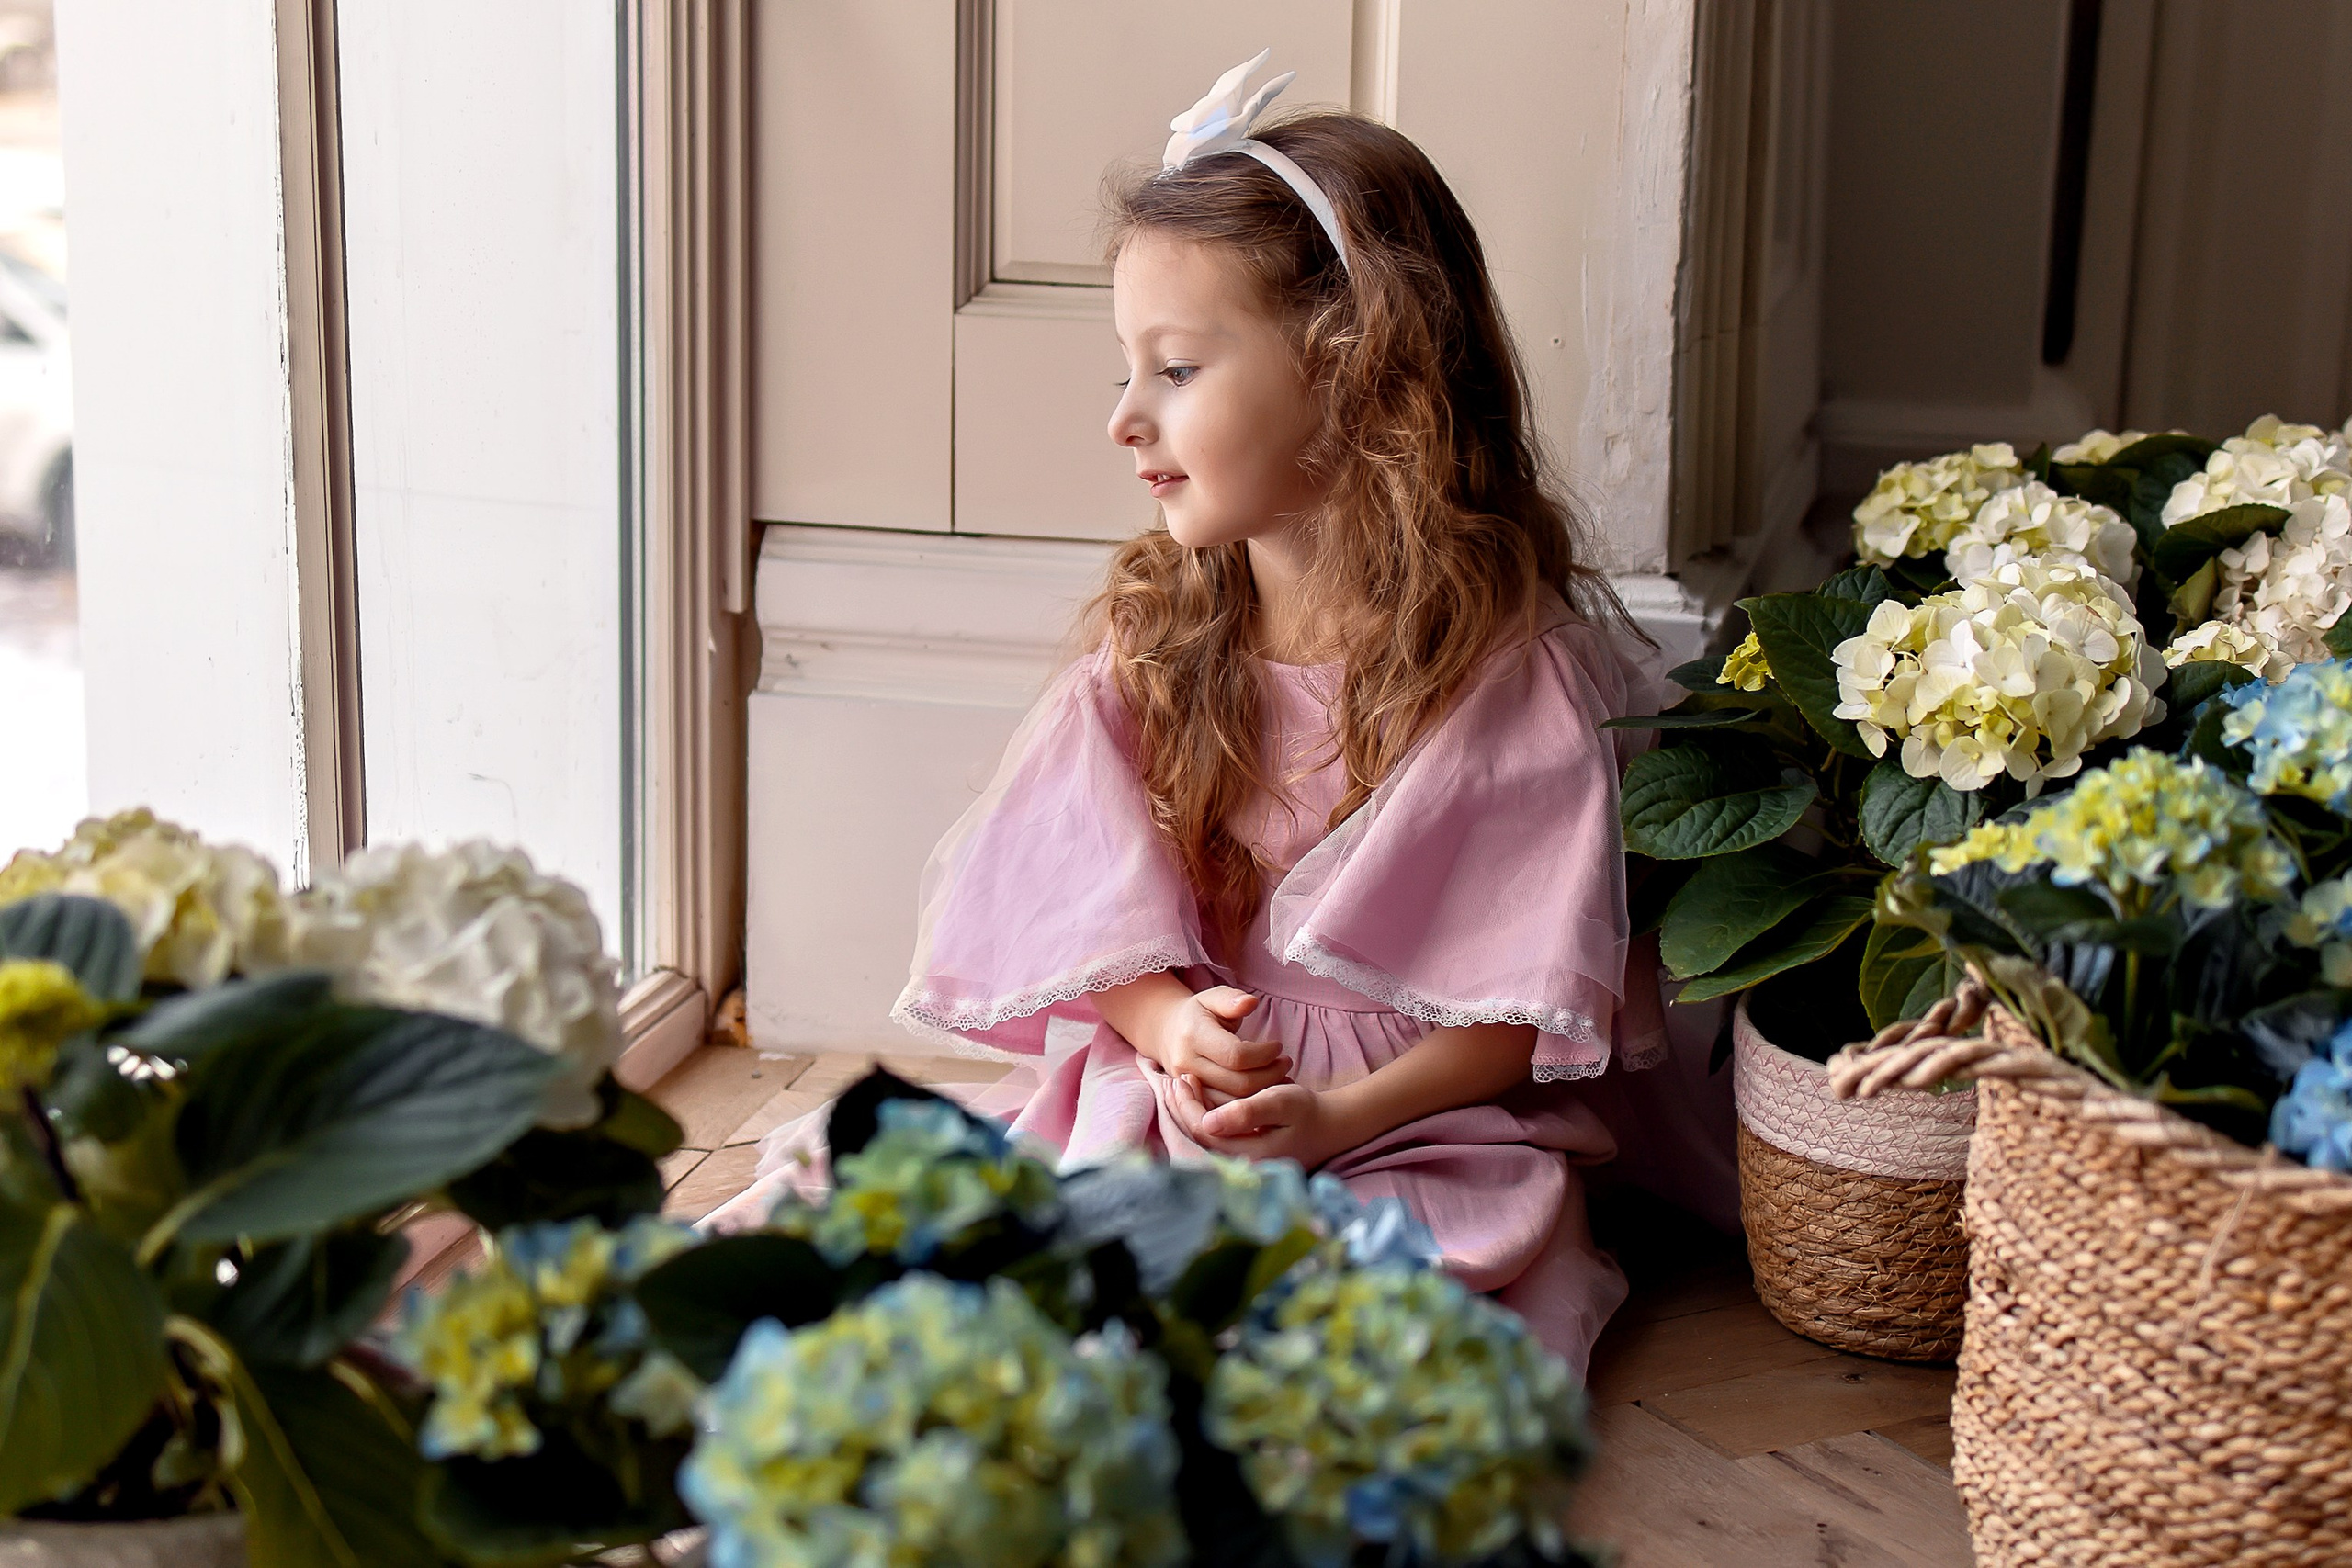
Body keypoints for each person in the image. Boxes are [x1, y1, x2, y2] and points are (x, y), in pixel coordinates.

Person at [717, 57, 1728, 1376]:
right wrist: (1167, 1028)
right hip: (1195, 1085)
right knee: (1027, 1268)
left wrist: (1339, 1115)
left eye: (1177, 368)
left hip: (1415, 1118)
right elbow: (1082, 897)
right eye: (1129, 369)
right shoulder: (1165, 638)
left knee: (1369, 1327)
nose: (1124, 419)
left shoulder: (1503, 671)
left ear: (1360, 371)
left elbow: (1512, 1005)